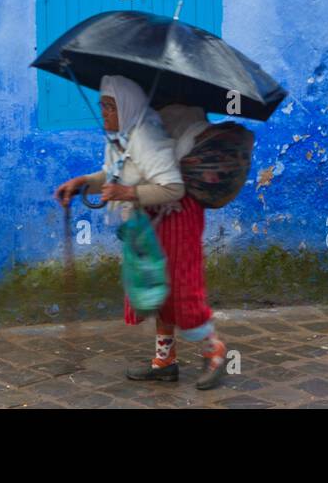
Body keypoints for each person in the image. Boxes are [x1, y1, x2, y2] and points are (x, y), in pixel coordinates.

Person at [54, 77, 228, 389]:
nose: (104, 112)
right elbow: (114, 173)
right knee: (154, 287)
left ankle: (214, 350)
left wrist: (128, 192)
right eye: (103, 106)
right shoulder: (121, 138)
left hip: (177, 217)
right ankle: (165, 361)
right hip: (149, 220)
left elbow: (173, 188)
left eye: (110, 106)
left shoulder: (146, 136)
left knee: (181, 291)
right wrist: (84, 182)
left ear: (127, 107)